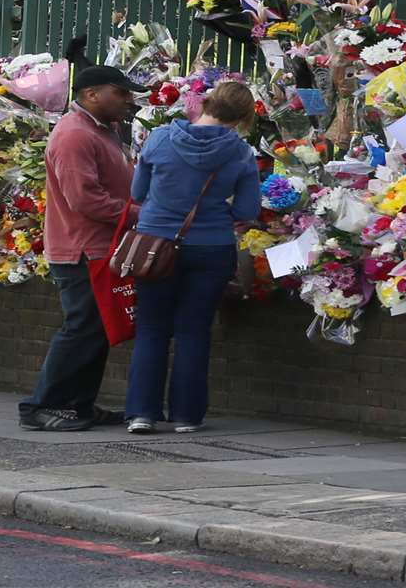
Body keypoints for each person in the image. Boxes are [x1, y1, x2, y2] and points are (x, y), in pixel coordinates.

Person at [125, 80, 261, 435]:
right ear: (244, 116)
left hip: (154, 244)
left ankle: (141, 413)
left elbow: (137, 193)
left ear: (205, 103)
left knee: (152, 328)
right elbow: (247, 208)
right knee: (194, 330)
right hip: (211, 247)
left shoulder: (158, 139)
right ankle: (186, 416)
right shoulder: (241, 153)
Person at [18, 63, 145, 433]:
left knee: (98, 328)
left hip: (101, 246)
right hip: (83, 249)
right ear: (91, 95)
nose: (127, 100)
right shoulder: (75, 135)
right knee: (82, 327)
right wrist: (143, 214)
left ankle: (78, 405)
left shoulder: (103, 130)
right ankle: (40, 407)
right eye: (119, 92)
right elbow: (86, 200)